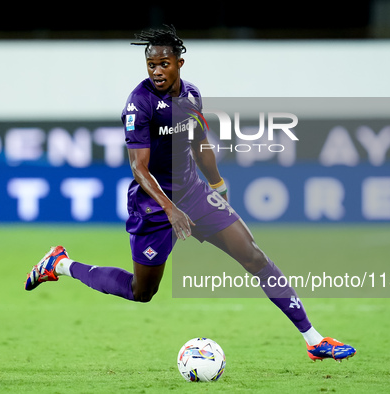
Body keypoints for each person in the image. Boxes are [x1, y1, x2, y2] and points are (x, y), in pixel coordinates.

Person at [25, 25, 356, 362]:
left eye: (164, 64)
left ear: (179, 63)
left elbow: (199, 145)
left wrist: (217, 185)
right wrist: (170, 210)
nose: (157, 71)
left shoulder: (192, 95)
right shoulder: (139, 104)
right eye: (151, 65)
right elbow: (139, 169)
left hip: (195, 195)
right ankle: (61, 264)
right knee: (142, 292)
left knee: (253, 256)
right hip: (153, 206)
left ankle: (314, 340)